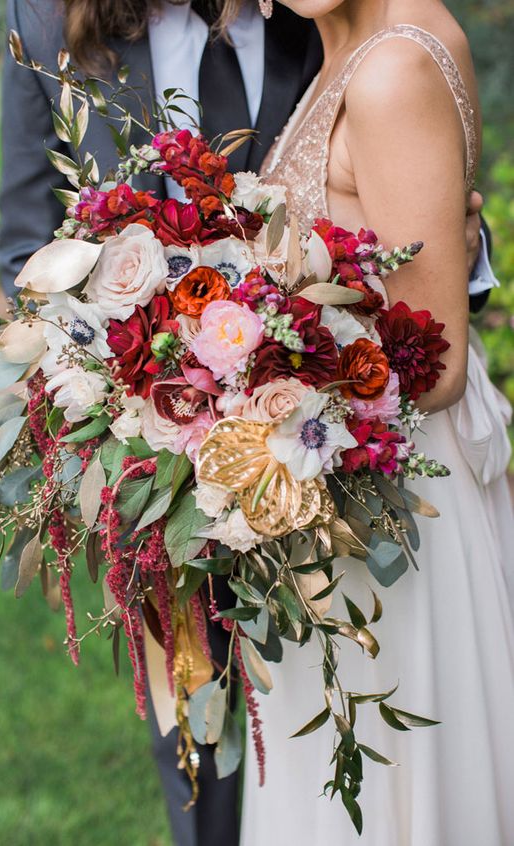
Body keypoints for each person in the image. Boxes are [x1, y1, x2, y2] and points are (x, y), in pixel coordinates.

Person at [0, 3, 503, 845]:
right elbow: (30, 254)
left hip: (343, 483)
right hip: (173, 473)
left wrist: (452, 239)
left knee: (368, 767)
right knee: (202, 742)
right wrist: (107, 430)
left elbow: (410, 266)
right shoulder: (50, 22)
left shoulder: (334, 25)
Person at [237, 0, 514, 844]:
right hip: (344, 512)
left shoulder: (391, 69)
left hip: (393, 530)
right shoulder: (351, 46)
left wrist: (239, 403)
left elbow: (433, 363)